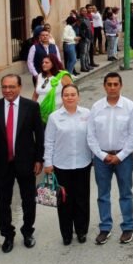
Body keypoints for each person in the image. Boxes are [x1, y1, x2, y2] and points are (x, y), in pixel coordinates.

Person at [0, 75, 44, 253]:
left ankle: (27, 232)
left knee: (28, 200)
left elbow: (39, 136)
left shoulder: (31, 107)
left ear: (19, 87)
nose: (7, 90)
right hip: (2, 164)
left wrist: (39, 159)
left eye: (11, 87)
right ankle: (8, 236)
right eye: (4, 87)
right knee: (3, 202)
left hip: (26, 163)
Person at [86, 72, 133, 245]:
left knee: (125, 193)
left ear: (120, 86)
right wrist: (102, 155)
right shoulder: (96, 107)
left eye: (115, 84)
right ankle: (105, 227)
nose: (112, 87)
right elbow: (91, 135)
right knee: (103, 194)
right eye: (108, 84)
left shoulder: (130, 107)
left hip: (123, 157)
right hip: (101, 158)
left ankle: (128, 227)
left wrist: (121, 155)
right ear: (104, 86)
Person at [43, 84, 93, 245]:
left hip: (83, 163)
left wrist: (94, 158)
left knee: (82, 199)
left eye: (73, 94)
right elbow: (49, 141)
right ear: (62, 97)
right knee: (64, 201)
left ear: (78, 96)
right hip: (61, 165)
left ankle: (81, 231)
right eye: (66, 95)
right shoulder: (54, 117)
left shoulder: (87, 114)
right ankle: (66, 233)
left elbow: (92, 138)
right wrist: (48, 163)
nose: (70, 97)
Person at [32, 54, 73, 124]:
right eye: (43, 62)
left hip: (57, 114)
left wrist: (63, 112)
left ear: (53, 64)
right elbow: (35, 95)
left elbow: (71, 94)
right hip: (40, 114)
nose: (43, 64)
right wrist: (32, 109)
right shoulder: (40, 76)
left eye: (46, 62)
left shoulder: (63, 76)